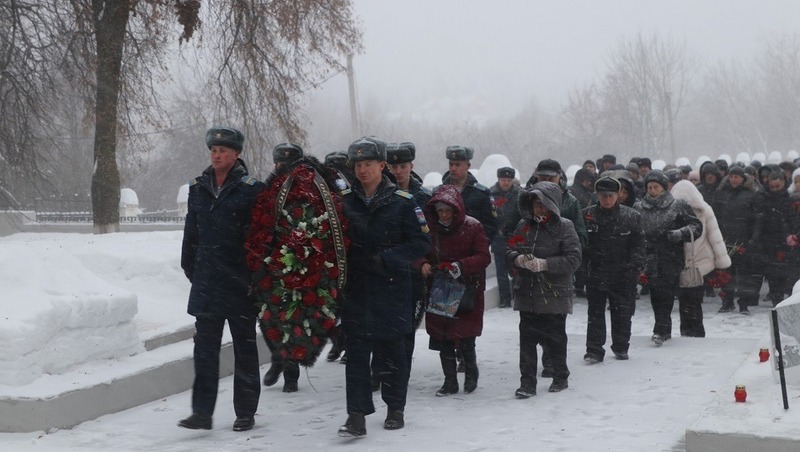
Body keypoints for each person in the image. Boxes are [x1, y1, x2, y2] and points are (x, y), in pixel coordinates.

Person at [337, 137, 430, 437]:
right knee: (356, 355)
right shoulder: (344, 202)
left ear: (382, 166)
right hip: (356, 291)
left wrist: (387, 259)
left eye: (368, 164)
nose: (363, 170)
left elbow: (420, 242)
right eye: (358, 165)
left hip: (391, 289)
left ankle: (395, 407)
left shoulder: (403, 202)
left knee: (392, 352)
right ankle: (356, 415)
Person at [179, 126, 265, 432]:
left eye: (223, 150)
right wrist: (192, 267)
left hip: (240, 283)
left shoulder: (252, 189)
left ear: (236, 154)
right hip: (206, 283)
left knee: (244, 349)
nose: (217, 155)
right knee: (204, 350)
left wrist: (253, 277)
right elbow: (192, 233)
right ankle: (202, 412)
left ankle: (245, 411)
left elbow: (260, 237)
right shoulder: (198, 187)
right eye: (213, 150)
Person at [506, 181, 581, 398]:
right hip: (527, 293)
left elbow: (574, 258)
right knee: (527, 341)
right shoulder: (524, 225)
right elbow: (510, 248)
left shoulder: (565, 226)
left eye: (542, 203)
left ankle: (560, 376)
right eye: (535, 203)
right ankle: (527, 383)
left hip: (554, 293)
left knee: (555, 339)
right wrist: (518, 259)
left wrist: (546, 264)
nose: (538, 207)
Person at [418, 185, 491, 396]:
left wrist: (461, 266)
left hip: (467, 290)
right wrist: (423, 263)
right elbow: (419, 251)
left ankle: (470, 372)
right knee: (443, 340)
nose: (444, 215)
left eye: (448, 211)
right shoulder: (430, 230)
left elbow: (483, 256)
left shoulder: (473, 227)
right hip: (439, 290)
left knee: (466, 338)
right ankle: (450, 381)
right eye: (440, 211)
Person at [636, 170, 702, 346]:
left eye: (656, 187)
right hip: (649, 258)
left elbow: (696, 226)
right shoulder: (639, 207)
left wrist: (680, 233)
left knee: (666, 293)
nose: (652, 190)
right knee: (656, 294)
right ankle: (662, 328)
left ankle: (661, 329)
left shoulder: (678, 205)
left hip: (671, 256)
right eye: (649, 187)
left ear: (664, 188)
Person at [582, 177, 644, 363]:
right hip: (596, 272)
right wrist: (584, 270)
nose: (607, 200)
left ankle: (621, 346)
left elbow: (639, 245)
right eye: (603, 196)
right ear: (597, 195)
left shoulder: (631, 216)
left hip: (623, 273)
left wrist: (633, 268)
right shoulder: (587, 216)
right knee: (595, 313)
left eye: (610, 195)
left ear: (618, 195)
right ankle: (594, 349)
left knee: (622, 313)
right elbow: (581, 245)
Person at [260, 143, 305, 393]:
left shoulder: (310, 192)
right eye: (279, 164)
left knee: (292, 320)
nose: (283, 169)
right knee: (269, 320)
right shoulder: (267, 190)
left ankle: (291, 372)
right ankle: (278, 359)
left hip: (300, 265)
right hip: (272, 264)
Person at [386, 142, 432, 385]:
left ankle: (401, 370)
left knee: (407, 326)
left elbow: (428, 237)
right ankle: (381, 371)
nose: (398, 171)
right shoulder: (381, 194)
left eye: (402, 166)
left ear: (411, 166)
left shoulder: (424, 198)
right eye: (393, 166)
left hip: (413, 270)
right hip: (385, 269)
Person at [671, 180, 731, 336]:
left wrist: (721, 260)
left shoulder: (704, 210)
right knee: (687, 301)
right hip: (684, 263)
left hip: (698, 264)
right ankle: (690, 332)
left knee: (692, 301)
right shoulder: (674, 213)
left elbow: (714, 236)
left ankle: (694, 332)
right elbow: (715, 237)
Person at [713, 166, 760, 313]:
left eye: (737, 177)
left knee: (744, 275)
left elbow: (756, 220)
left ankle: (743, 304)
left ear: (743, 179)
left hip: (743, 241)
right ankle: (727, 302)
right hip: (725, 240)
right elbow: (716, 217)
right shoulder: (721, 194)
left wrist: (753, 239)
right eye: (731, 177)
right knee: (726, 274)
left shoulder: (750, 195)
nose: (734, 180)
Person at [752, 171, 793, 306]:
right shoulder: (764, 199)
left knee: (785, 277)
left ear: (784, 184)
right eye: (772, 187)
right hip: (768, 242)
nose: (775, 190)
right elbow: (759, 221)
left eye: (778, 187)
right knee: (773, 276)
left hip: (786, 242)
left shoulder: (789, 200)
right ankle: (777, 302)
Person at [490, 167, 520, 308]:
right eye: (503, 180)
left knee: (516, 267)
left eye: (509, 180)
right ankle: (505, 298)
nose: (506, 183)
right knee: (501, 270)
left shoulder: (519, 194)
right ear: (498, 179)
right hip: (498, 235)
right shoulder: (491, 194)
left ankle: (517, 295)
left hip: (515, 236)